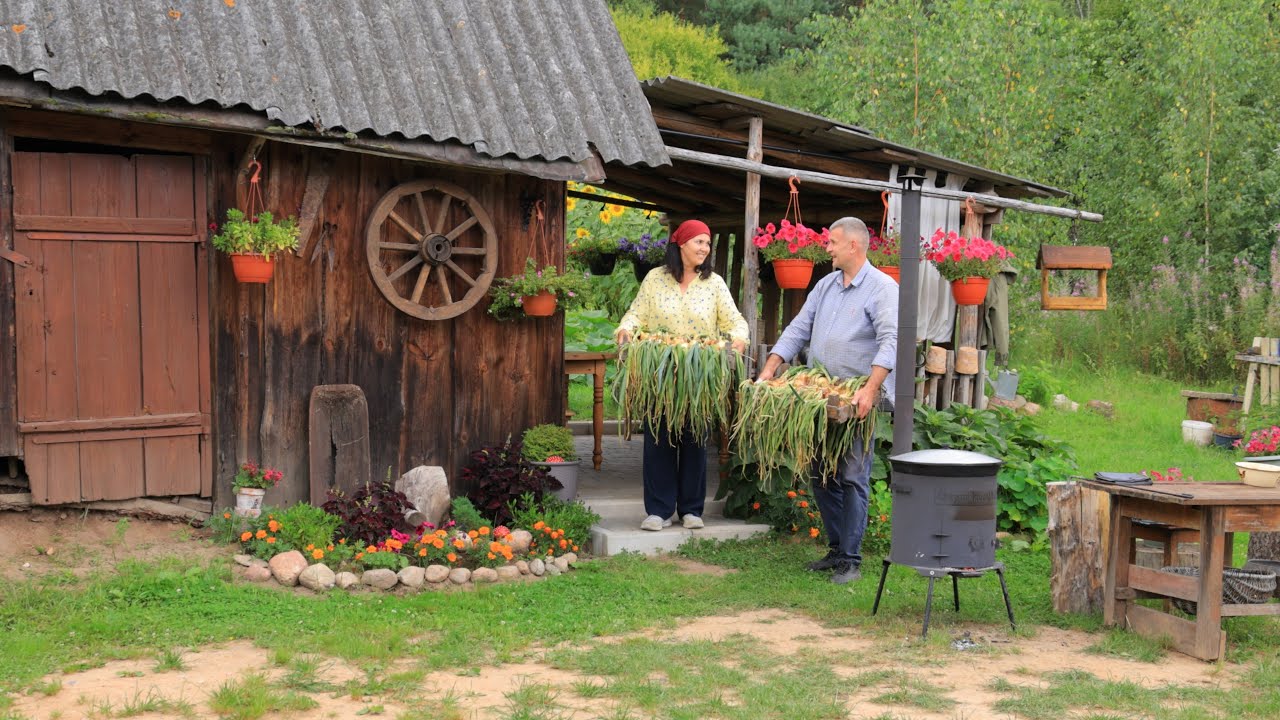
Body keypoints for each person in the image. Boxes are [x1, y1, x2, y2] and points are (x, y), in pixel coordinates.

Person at [756, 216, 897, 584]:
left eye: (833, 242)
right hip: (821, 395)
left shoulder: (882, 288)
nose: (827, 248)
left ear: (854, 245)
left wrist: (869, 389)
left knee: (852, 476)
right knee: (821, 474)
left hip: (855, 397)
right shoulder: (825, 285)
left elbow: (891, 341)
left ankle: (851, 559)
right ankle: (836, 550)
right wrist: (770, 368)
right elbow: (798, 328)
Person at [616, 219, 749, 532]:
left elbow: (735, 321)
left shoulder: (714, 284)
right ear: (681, 244)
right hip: (661, 373)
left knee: (694, 440)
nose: (705, 248)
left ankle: (691, 509)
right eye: (699, 242)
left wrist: (739, 338)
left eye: (707, 243)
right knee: (658, 438)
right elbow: (635, 314)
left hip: (698, 375)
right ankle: (658, 511)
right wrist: (625, 329)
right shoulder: (655, 279)